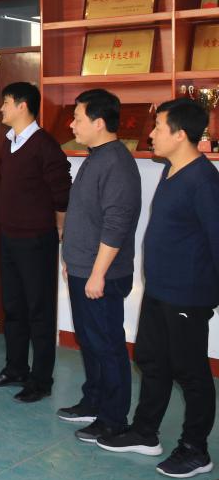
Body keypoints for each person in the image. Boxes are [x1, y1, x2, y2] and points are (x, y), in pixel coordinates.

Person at [96, 98, 219, 478]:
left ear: (180, 135)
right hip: (160, 290)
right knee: (151, 360)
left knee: (191, 372)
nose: (150, 134)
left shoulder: (203, 181)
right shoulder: (171, 170)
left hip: (187, 295)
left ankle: (196, 450)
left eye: (159, 127)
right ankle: (145, 432)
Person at [57, 88, 141, 443]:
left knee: (107, 345)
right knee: (90, 342)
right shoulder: (96, 156)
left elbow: (116, 225)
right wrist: (72, 261)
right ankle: (93, 401)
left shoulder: (117, 163)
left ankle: (113, 418)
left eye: (77, 118)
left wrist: (97, 273)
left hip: (102, 275)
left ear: (99, 122)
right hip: (83, 269)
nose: (72, 124)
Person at [0, 82, 71, 404]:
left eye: (5, 102)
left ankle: (41, 380)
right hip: (9, 236)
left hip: (36, 239)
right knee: (14, 307)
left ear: (22, 106)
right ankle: (15, 368)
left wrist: (59, 227)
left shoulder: (44, 144)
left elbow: (62, 190)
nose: (1, 108)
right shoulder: (9, 142)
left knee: (39, 311)